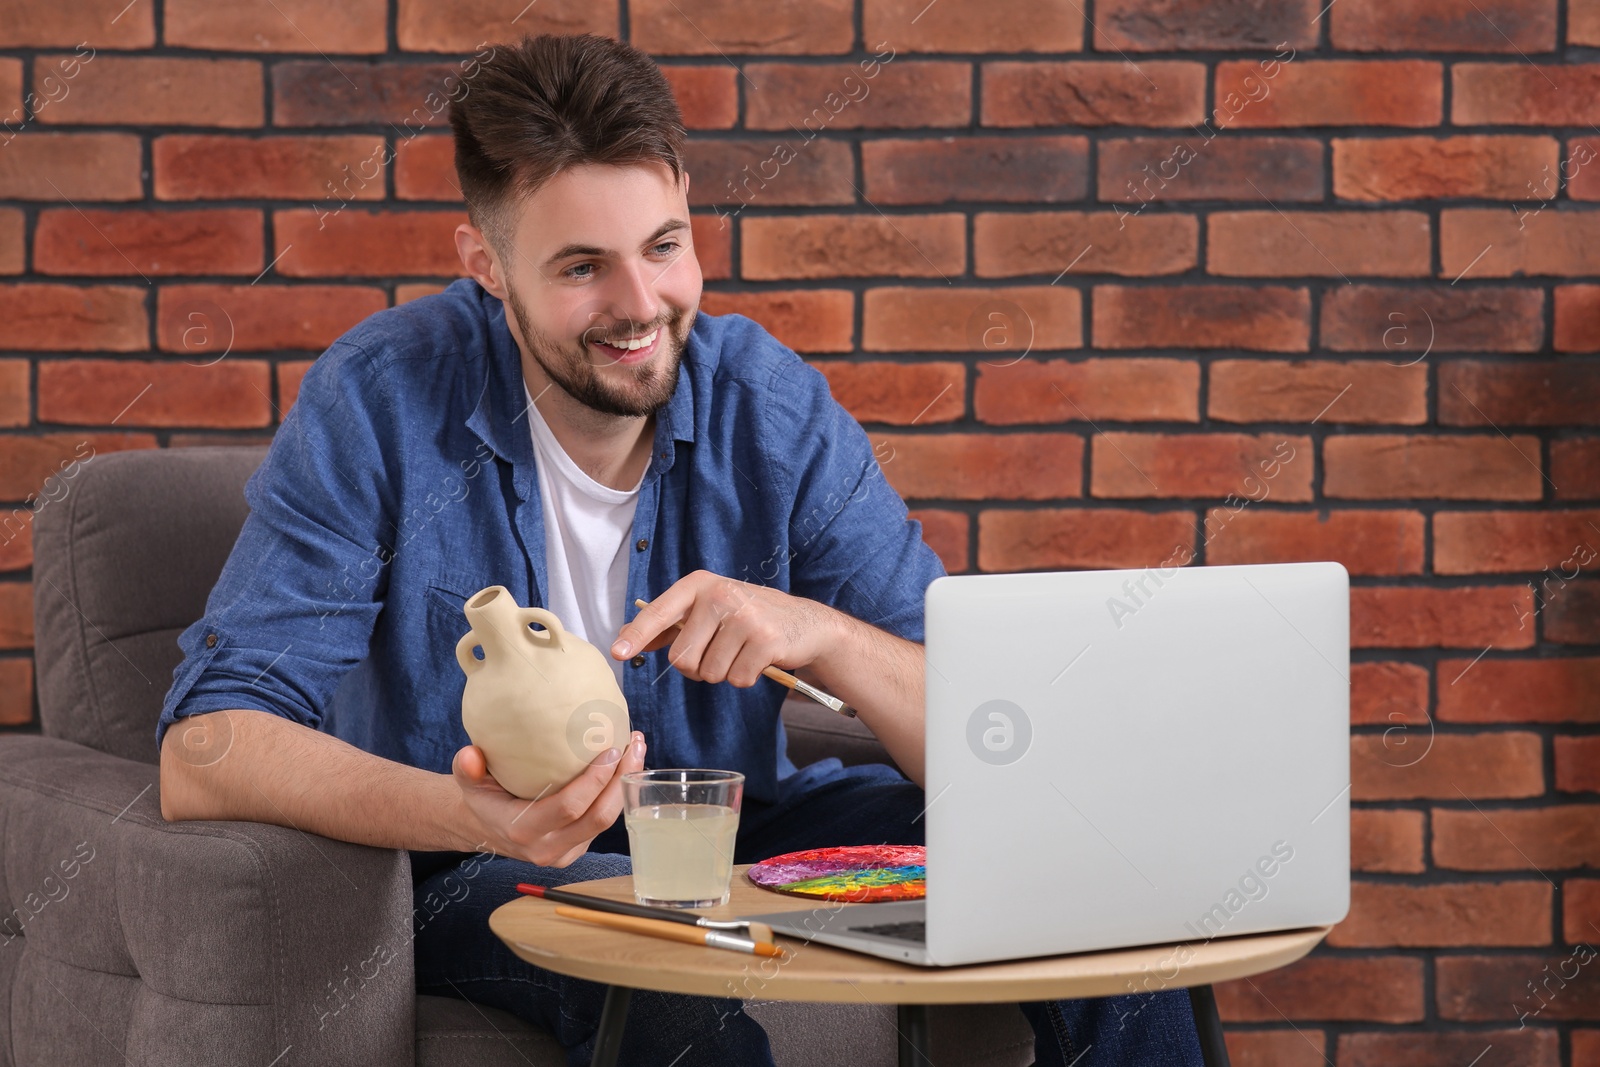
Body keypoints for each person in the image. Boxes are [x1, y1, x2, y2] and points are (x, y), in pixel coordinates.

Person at [156, 32, 1205, 1067]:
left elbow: (995, 736)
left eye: (663, 246)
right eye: (581, 267)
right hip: (473, 865)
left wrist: (826, 634)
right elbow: (205, 750)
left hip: (729, 831)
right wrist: (469, 809)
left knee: (1081, 863)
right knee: (665, 973)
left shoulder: (766, 403)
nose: (640, 306)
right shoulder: (379, 399)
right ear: (484, 262)